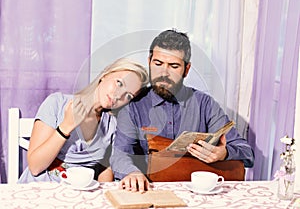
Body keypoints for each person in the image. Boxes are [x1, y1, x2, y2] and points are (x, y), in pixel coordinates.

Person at [110, 29, 255, 192]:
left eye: (174, 66)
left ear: (186, 69)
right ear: (149, 61)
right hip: (150, 193)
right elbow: (120, 155)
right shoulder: (133, 106)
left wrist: (224, 153)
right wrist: (132, 173)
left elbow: (247, 153)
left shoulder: (205, 104)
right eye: (158, 63)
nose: (163, 73)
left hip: (199, 197)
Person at [18, 58, 149, 183]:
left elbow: (105, 168)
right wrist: (66, 127)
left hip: (78, 197)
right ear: (105, 74)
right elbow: (35, 167)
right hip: (39, 189)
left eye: (128, 95)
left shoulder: (112, 126)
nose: (119, 95)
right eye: (119, 83)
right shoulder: (57, 103)